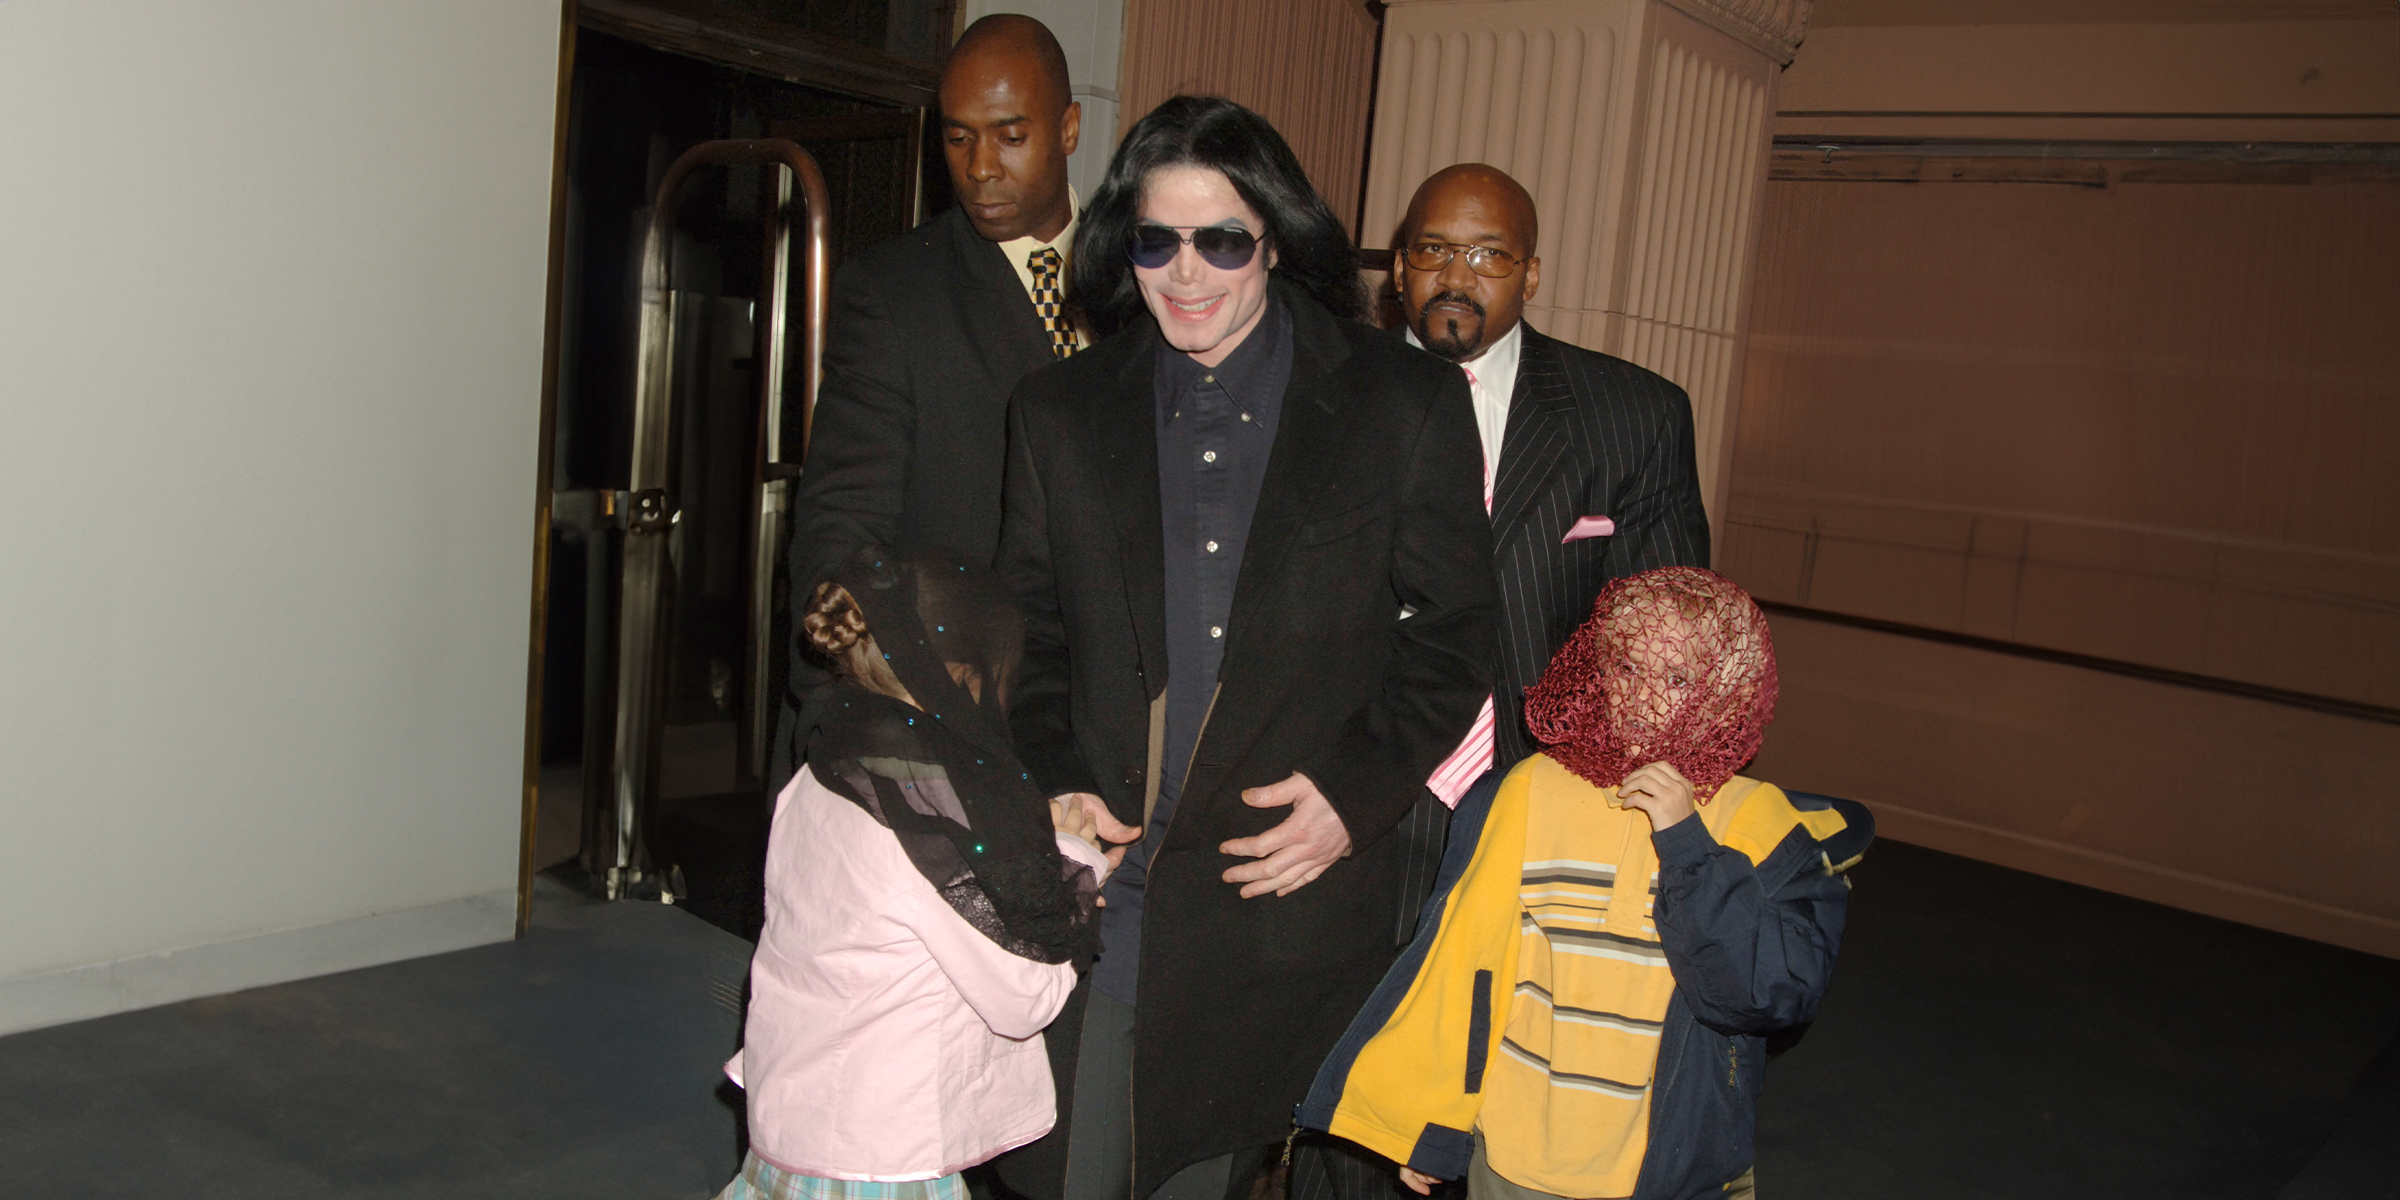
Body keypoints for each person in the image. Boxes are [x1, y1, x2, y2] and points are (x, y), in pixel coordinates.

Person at [990, 96, 1500, 1200]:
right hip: (1104, 884)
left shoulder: (1398, 403)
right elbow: (1024, 634)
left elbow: (1460, 639)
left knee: (1202, 1171)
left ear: (1274, 236)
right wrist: (1060, 780)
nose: (1185, 274)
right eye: (1156, 240)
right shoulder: (1061, 412)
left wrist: (1354, 796)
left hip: (1270, 896)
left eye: (1220, 239)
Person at [1297, 160, 1717, 1200]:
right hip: (1350, 796)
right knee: (1339, 1082)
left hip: (1533, 812)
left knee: (1497, 1099)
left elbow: (1665, 643)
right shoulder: (1317, 396)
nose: (1457, 275)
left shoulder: (1632, 417)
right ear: (1398, 269)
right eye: (1434, 251)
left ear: (1532, 272)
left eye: (1487, 255)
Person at [1298, 568, 1873, 1200]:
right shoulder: (1529, 793)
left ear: (1727, 695)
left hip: (1667, 1171)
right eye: (1627, 668)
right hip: (1518, 1160)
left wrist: (1689, 846)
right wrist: (1422, 1115)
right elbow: (1463, 963)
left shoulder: (1757, 822)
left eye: (1678, 679)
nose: (1645, 696)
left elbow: (1770, 993)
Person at [719, 547, 1116, 1200]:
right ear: (959, 674)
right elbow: (1024, 996)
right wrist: (1073, 855)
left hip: (792, 1127)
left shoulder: (822, 774)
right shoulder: (926, 824)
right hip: (881, 1162)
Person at [774, 14, 1086, 790]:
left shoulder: (1145, 282)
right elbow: (842, 525)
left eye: (1010, 134)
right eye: (958, 137)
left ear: (1070, 127)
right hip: (942, 717)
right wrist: (856, 718)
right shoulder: (896, 292)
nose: (981, 167)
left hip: (1092, 725)